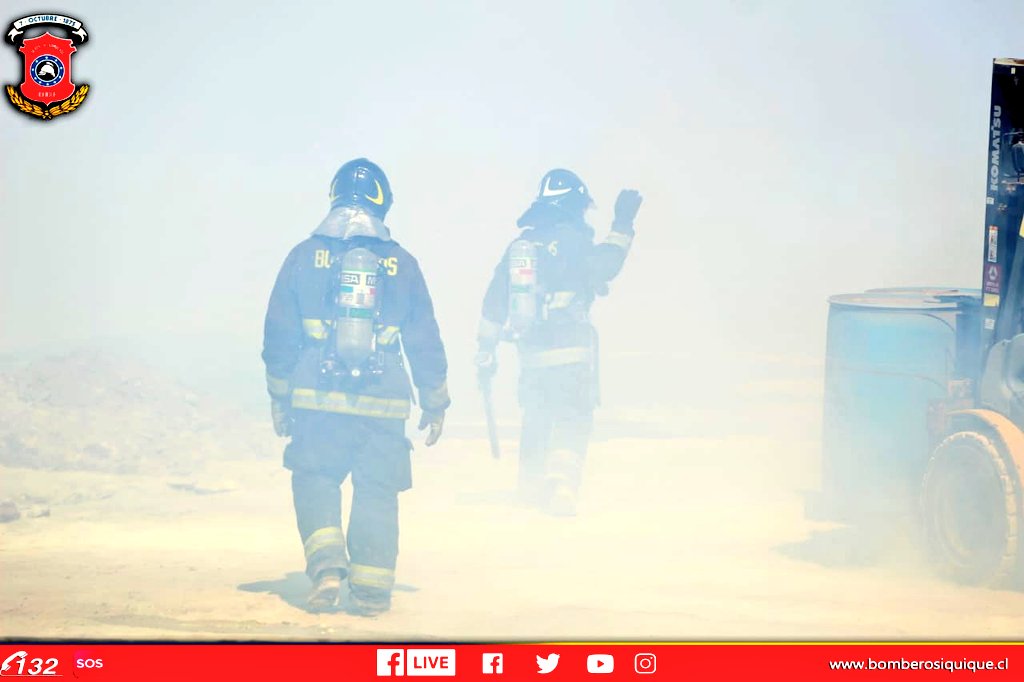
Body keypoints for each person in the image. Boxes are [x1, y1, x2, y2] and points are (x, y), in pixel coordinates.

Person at [262, 158, 450, 615]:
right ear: (383, 201)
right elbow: (424, 336)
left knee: (316, 478)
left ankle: (327, 567)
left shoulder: (303, 256)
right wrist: (435, 399)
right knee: (377, 491)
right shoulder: (402, 264)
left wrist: (280, 396)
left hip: (316, 398)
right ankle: (370, 592)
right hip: (383, 401)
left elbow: (279, 335)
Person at [475, 169, 641, 516]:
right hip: (572, 353)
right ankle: (561, 483)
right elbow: (606, 266)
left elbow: (494, 302)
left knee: (536, 416)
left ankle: (528, 490)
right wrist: (623, 223)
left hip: (533, 355)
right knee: (573, 417)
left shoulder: (521, 248)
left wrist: (486, 350)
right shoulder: (575, 240)